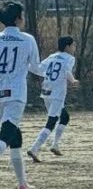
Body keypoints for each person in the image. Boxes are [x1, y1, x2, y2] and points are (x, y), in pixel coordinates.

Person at [0, 2, 42, 189]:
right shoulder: (27, 39)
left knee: (15, 136)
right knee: (6, 135)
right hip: (15, 94)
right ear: (18, 18)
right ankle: (23, 184)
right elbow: (35, 67)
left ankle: (23, 185)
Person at [27, 35, 77, 164]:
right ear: (67, 47)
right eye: (73, 45)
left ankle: (55, 145)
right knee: (52, 121)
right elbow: (66, 71)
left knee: (64, 116)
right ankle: (34, 148)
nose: (74, 48)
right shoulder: (70, 58)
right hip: (57, 94)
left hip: (46, 91)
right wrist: (73, 80)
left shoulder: (52, 56)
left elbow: (37, 69)